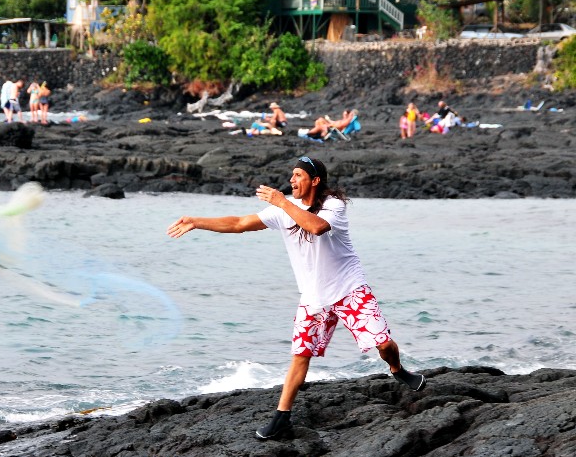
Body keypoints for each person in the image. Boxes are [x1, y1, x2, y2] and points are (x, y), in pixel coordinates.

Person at [167, 156, 426, 440]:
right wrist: (196, 221)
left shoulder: (333, 206)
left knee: (384, 343)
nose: (292, 180)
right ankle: (281, 418)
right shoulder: (283, 210)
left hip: (349, 290)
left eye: (298, 175)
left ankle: (397, 369)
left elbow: (315, 227)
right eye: (291, 175)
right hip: (313, 297)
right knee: (300, 356)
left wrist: (281, 202)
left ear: (315, 181)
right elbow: (239, 223)